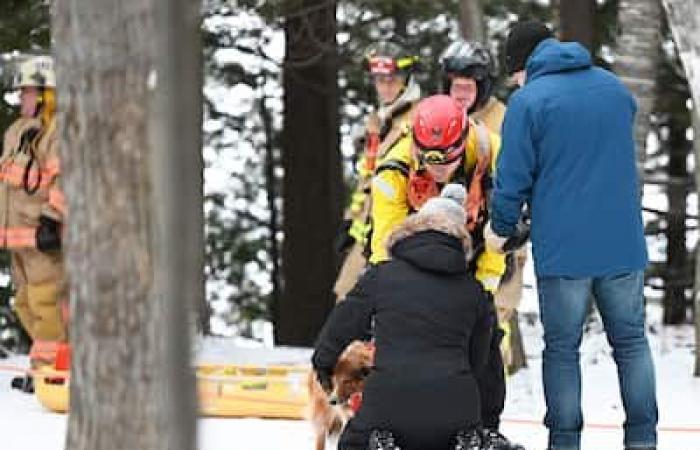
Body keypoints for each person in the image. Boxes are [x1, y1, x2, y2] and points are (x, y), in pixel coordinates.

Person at [487, 20, 658, 450]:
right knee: (632, 342)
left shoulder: (528, 102)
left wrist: (499, 230)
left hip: (564, 253)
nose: (516, 81)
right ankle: (643, 439)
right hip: (622, 245)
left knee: (562, 350)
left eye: (515, 72)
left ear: (524, 64)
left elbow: (512, 180)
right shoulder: (614, 88)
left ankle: (564, 442)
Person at [369, 95, 523, 450]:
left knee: (486, 339)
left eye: (447, 159)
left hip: (479, 252)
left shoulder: (493, 154)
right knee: (409, 340)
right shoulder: (395, 170)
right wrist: (392, 295)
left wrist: (484, 285)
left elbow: (500, 231)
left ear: (463, 139)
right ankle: (391, 426)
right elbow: (386, 241)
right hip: (416, 261)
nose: (438, 168)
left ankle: (485, 427)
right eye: (430, 159)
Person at [313, 184, 491, 450]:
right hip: (455, 410)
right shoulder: (475, 292)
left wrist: (324, 365)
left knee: (352, 444)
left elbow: (342, 324)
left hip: (388, 403)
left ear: (413, 230)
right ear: (460, 242)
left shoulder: (382, 276)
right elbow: (481, 363)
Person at [440, 38, 529, 373]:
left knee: (494, 318)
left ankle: (490, 393)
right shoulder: (438, 116)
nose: (461, 94)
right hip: (453, 239)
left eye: (469, 86)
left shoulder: (506, 120)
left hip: (499, 238)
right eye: (455, 86)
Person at [334, 40, 420, 300]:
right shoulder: (377, 121)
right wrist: (351, 221)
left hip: (400, 234)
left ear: (405, 79)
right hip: (367, 234)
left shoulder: (420, 119)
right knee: (345, 297)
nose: (384, 87)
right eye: (379, 80)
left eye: (391, 79)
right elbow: (368, 178)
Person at [2, 55, 67, 392]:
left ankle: (51, 372)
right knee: (25, 303)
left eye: (27, 92)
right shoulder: (17, 132)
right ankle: (48, 366)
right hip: (18, 240)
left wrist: (52, 220)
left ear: (46, 94)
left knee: (47, 303)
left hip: (43, 237)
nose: (21, 98)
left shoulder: (59, 132)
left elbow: (65, 179)